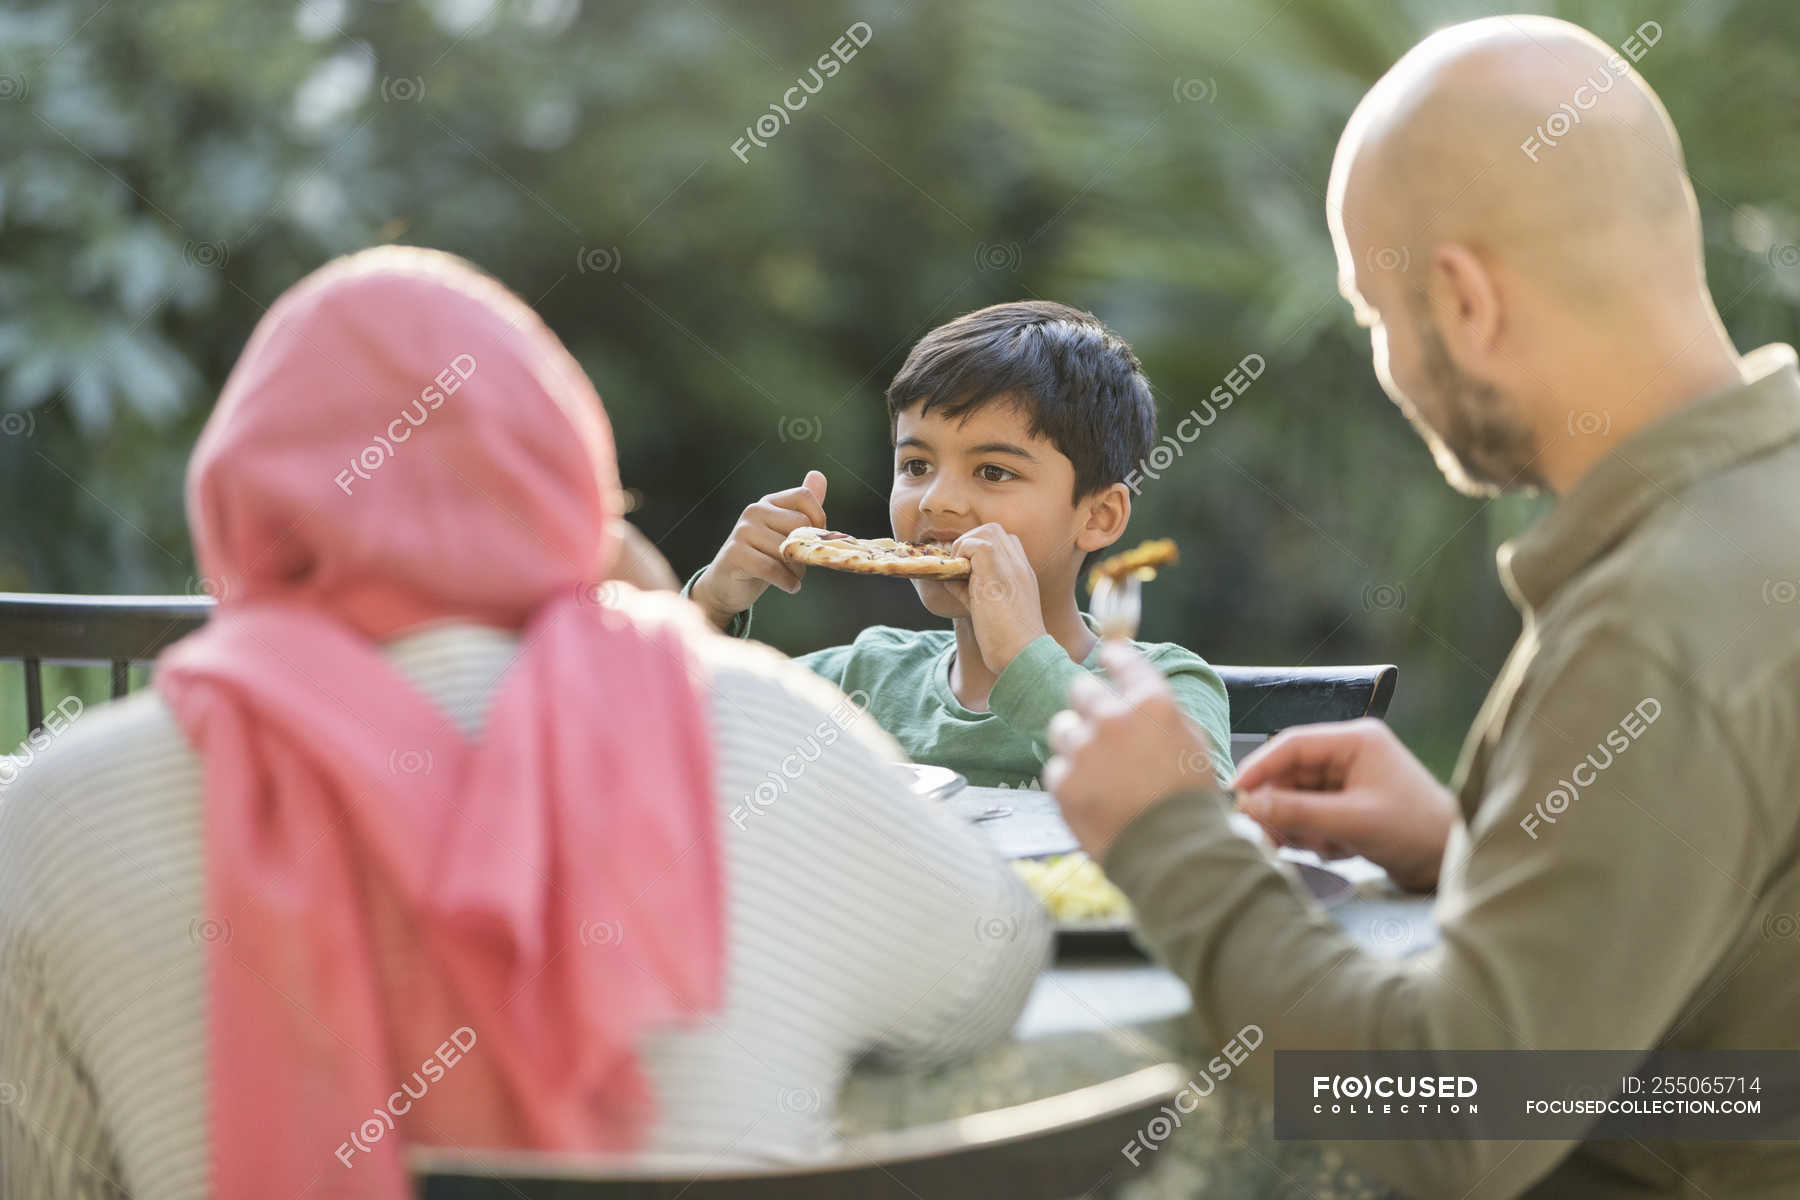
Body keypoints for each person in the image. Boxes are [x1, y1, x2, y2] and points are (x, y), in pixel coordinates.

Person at [0, 247, 1048, 1200]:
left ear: (235, 489)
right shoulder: (754, 723)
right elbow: (987, 979)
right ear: (570, 484)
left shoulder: (52, 816)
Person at [1042, 15, 1800, 1198]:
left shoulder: (1658, 625)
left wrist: (1170, 837)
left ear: (1462, 302)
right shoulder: (1759, 508)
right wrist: (1480, 849)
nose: (1386, 363)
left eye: (1375, 316)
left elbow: (1457, 1118)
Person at [685, 300, 1235, 790]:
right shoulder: (863, 678)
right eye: (916, 465)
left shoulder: (1162, 689)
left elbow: (1204, 831)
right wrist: (710, 607)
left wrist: (1025, 660)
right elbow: (659, 744)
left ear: (1098, 516)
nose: (937, 502)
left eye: (993, 471)